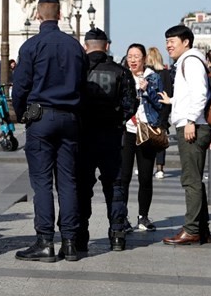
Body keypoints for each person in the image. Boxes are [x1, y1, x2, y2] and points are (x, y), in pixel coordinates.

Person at [11, 0, 89, 262]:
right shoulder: (76, 47)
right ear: (60, 14)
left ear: (37, 15)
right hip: (70, 118)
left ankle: (45, 241)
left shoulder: (30, 47)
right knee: (67, 181)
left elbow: (19, 88)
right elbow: (83, 85)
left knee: (42, 183)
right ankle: (70, 242)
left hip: (41, 117)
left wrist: (23, 113)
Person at [76, 28, 137, 252]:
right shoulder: (121, 72)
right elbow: (132, 104)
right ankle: (118, 234)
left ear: (85, 46)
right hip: (112, 135)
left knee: (82, 187)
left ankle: (81, 235)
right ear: (107, 46)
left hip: (83, 136)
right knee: (116, 187)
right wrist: (117, 119)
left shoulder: (78, 71)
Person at [160, 24, 211, 246]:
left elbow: (200, 93)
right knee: (194, 180)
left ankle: (191, 230)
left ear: (186, 42)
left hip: (194, 126)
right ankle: (202, 229)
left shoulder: (190, 61)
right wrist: (174, 102)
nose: (168, 45)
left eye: (172, 41)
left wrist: (190, 120)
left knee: (191, 180)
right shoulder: (187, 61)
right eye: (167, 41)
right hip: (192, 123)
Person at [120, 43, 164, 233]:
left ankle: (143, 217)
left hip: (146, 130)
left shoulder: (153, 77)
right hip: (126, 131)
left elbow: (160, 104)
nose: (133, 59)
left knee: (146, 177)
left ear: (144, 58)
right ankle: (121, 217)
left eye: (137, 56)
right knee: (124, 177)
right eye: (130, 56)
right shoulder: (122, 76)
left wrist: (147, 90)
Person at [147, 46, 171, 179]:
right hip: (162, 109)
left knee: (146, 139)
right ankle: (160, 168)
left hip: (149, 109)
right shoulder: (165, 73)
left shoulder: (146, 74)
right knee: (160, 139)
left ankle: (146, 166)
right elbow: (168, 92)